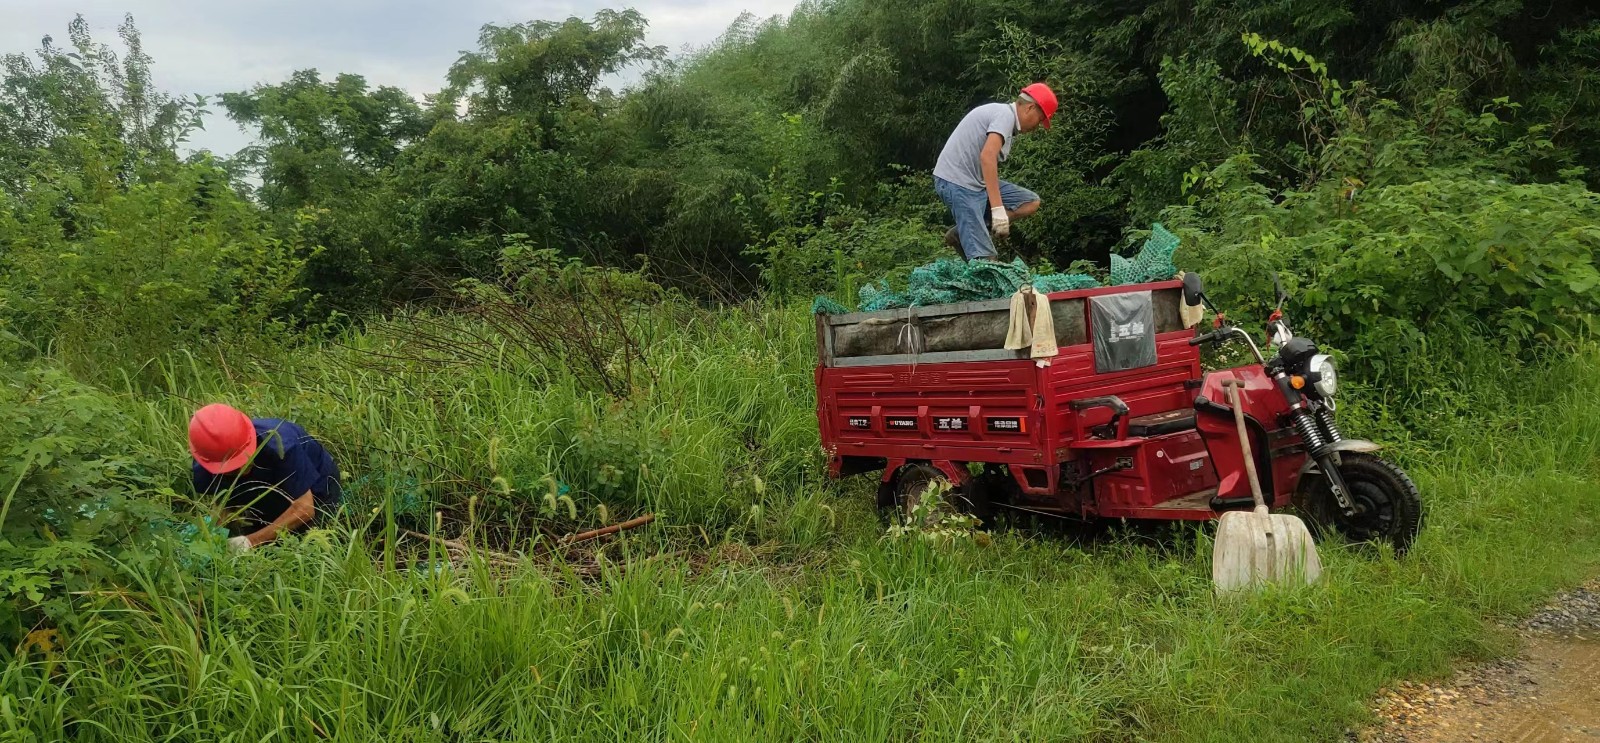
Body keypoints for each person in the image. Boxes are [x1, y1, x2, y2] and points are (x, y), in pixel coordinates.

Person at [189, 403, 341, 552]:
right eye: (232, 469)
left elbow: (305, 508)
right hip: (267, 487)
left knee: (310, 542)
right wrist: (215, 538)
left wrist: (250, 541)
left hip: (316, 485)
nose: (242, 469)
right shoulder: (207, 460)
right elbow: (221, 502)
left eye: (243, 461)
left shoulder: (281, 446)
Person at [934, 82, 1058, 262]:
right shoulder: (1004, 116)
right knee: (987, 261)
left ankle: (963, 232)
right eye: (1040, 120)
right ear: (1030, 108)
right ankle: (974, 238)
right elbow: (987, 157)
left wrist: (998, 211)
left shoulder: (1006, 121)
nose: (1036, 127)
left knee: (1030, 202)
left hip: (976, 183)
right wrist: (998, 211)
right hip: (958, 183)